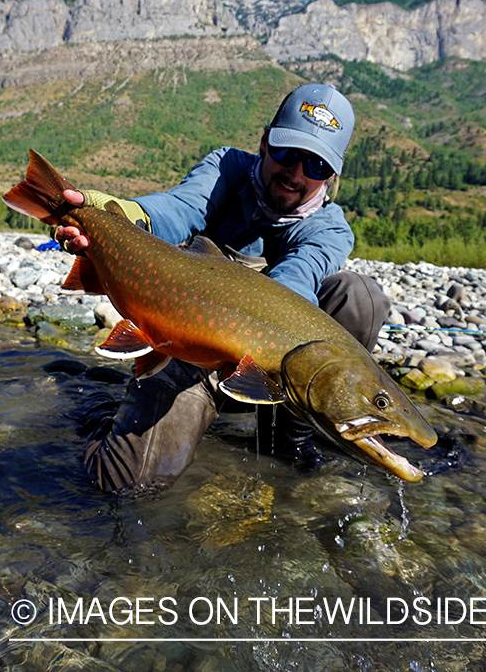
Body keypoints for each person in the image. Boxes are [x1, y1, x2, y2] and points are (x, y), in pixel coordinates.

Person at [54, 83, 390, 494]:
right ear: (265, 142)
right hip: (191, 349)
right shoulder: (227, 169)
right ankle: (98, 411)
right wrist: (123, 214)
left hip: (271, 370)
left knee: (360, 297)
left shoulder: (331, 229)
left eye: (316, 166)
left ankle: (292, 437)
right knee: (130, 483)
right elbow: (179, 208)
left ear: (333, 174)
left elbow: (296, 282)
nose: (295, 175)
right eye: (287, 154)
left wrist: (268, 344)